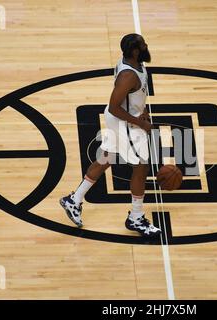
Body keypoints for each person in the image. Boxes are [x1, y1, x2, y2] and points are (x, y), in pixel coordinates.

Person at [60, 33, 161, 237]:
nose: (146, 46)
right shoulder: (128, 75)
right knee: (141, 167)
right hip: (123, 121)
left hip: (125, 118)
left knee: (107, 157)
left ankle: (74, 200)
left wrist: (142, 110)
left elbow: (133, 97)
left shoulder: (136, 64)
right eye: (143, 45)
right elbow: (115, 107)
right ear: (134, 51)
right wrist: (139, 122)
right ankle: (136, 217)